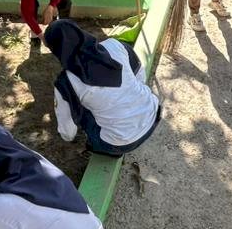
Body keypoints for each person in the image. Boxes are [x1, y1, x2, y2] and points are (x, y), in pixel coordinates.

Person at [44, 21, 160, 156]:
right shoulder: (114, 45)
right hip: (154, 113)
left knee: (80, 109)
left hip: (121, 143)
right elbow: (139, 72)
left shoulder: (66, 82)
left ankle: (103, 149)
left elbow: (68, 131)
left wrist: (68, 137)